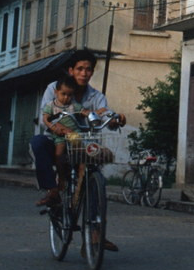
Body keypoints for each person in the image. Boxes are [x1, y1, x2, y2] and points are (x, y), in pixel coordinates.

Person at [30, 50, 126, 220]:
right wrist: (61, 129)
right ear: (71, 70)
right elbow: (45, 116)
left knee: (95, 176)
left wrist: (114, 120)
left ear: (92, 72)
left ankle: (95, 227)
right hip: (56, 141)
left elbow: (104, 113)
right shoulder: (55, 88)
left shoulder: (96, 96)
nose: (84, 73)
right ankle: (53, 190)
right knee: (38, 142)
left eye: (88, 69)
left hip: (83, 144)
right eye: (80, 69)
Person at [39, 75, 82, 190]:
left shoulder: (73, 106)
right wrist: (53, 127)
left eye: (70, 95)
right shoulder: (51, 105)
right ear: (56, 92)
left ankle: (80, 173)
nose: (66, 97)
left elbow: (84, 111)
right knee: (59, 154)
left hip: (72, 133)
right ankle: (61, 177)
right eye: (63, 94)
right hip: (60, 135)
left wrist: (93, 113)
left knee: (80, 150)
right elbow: (45, 119)